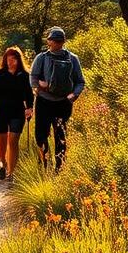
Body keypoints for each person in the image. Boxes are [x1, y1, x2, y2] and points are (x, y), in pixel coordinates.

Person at [30, 27, 85, 172]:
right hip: (47, 101)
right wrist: (38, 86)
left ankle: (56, 168)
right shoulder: (43, 58)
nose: (56, 43)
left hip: (61, 102)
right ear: (49, 41)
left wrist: (73, 96)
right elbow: (33, 77)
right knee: (45, 135)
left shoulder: (71, 58)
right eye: (55, 40)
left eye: (57, 40)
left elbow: (80, 81)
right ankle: (46, 165)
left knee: (58, 136)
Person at [0, 47, 34, 181]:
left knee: (13, 140)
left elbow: (29, 94)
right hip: (0, 110)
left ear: (18, 60)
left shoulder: (24, 75)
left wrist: (30, 107)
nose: (10, 62)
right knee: (1, 141)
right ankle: (2, 164)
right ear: (5, 60)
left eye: (14, 59)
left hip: (17, 111)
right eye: (8, 59)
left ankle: (12, 172)